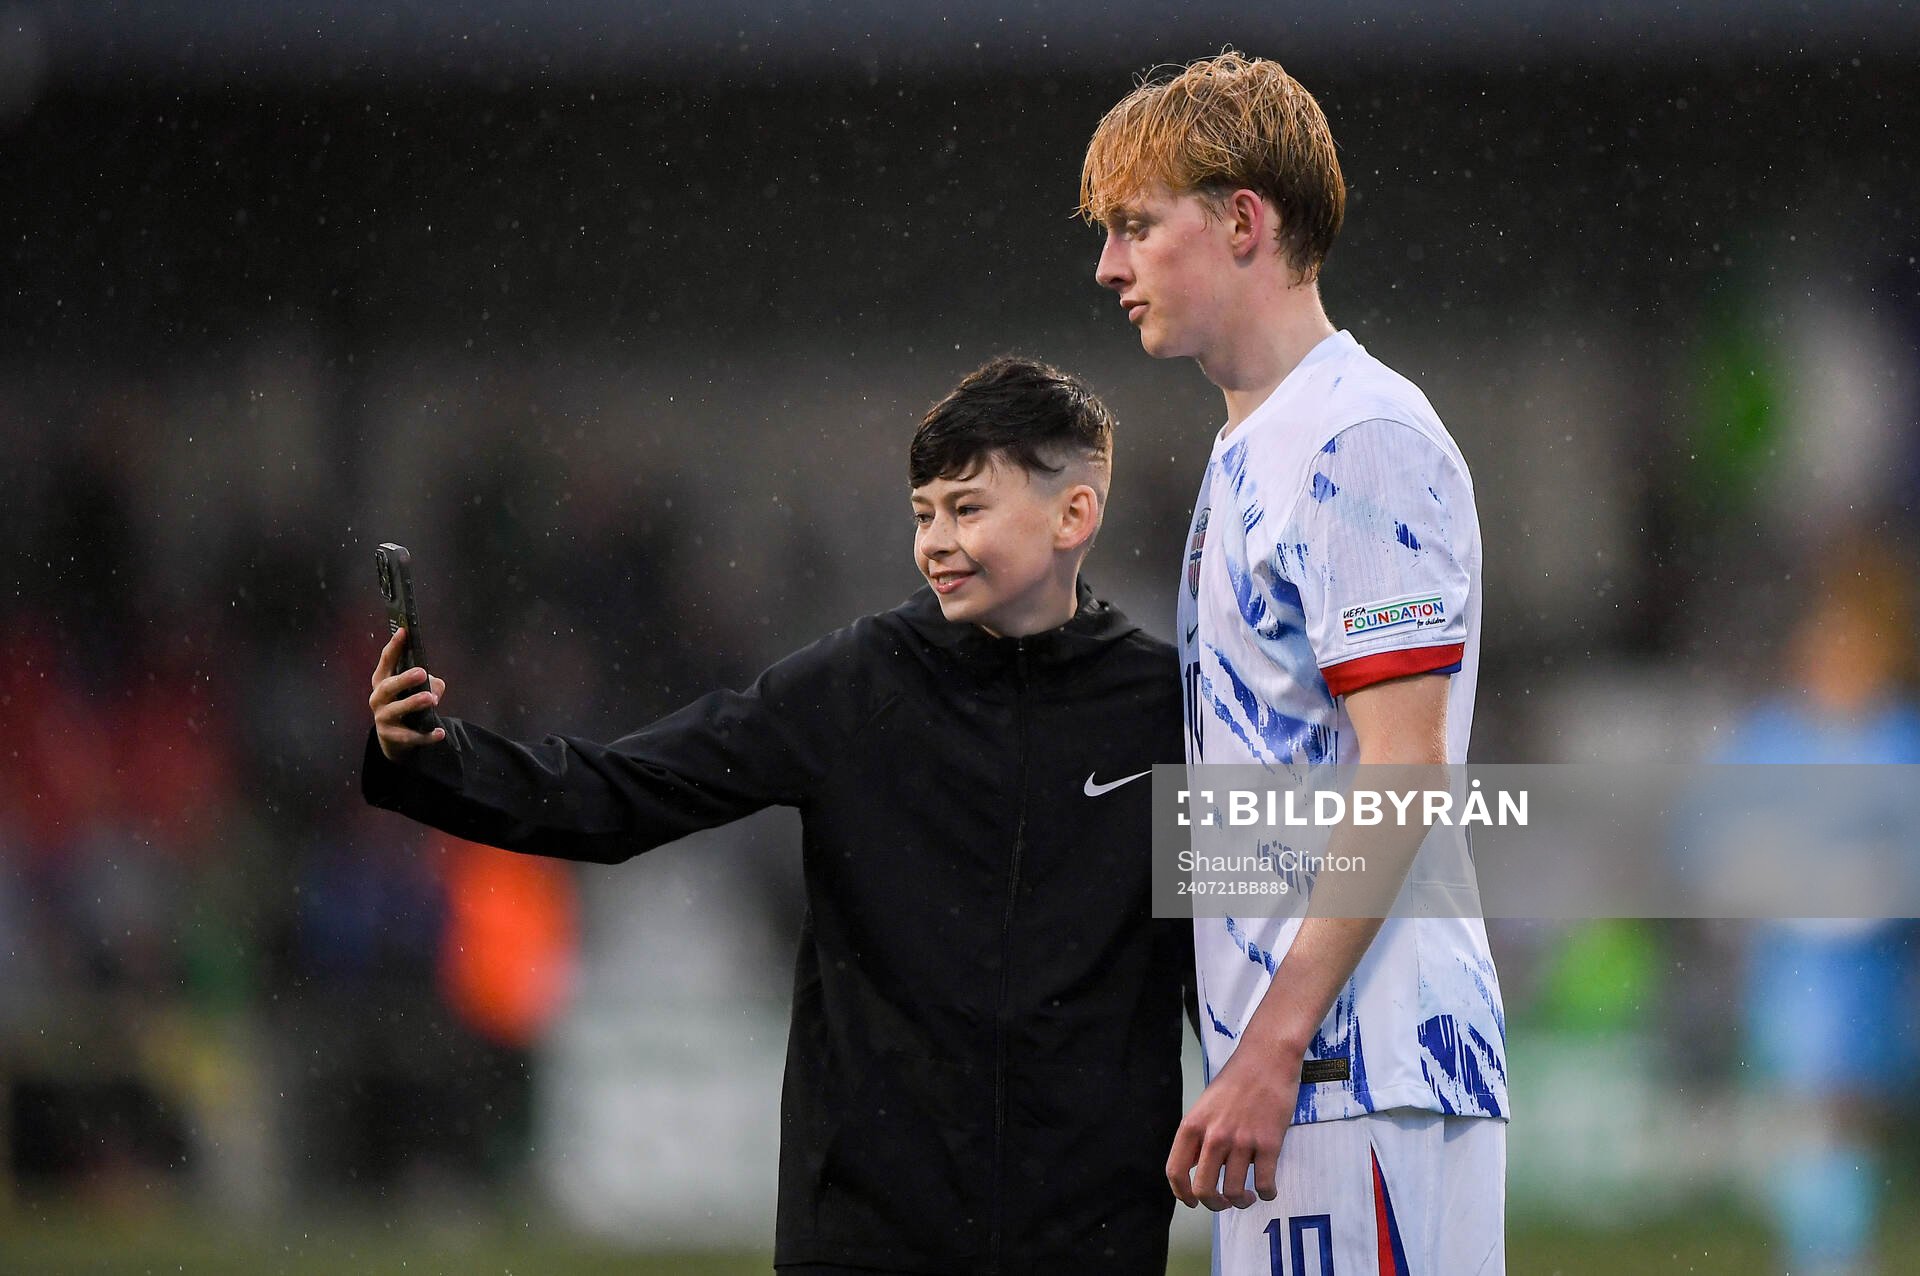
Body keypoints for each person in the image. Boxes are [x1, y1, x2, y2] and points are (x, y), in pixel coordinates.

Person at [361, 355, 1190, 1275]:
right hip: (870, 1233)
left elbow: (1251, 936)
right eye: (923, 514)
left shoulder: (1169, 705)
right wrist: (438, 760)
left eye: (967, 508)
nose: (936, 542)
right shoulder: (857, 683)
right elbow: (628, 793)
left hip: (1091, 1232)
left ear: (1074, 515)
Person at [1081, 52, 1507, 1273]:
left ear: (1244, 221)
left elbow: (1406, 772)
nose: (1110, 266)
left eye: (1135, 226)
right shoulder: (1252, 448)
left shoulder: (1357, 437)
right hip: (1298, 1071)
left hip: (1355, 1064)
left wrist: (1274, 1044)